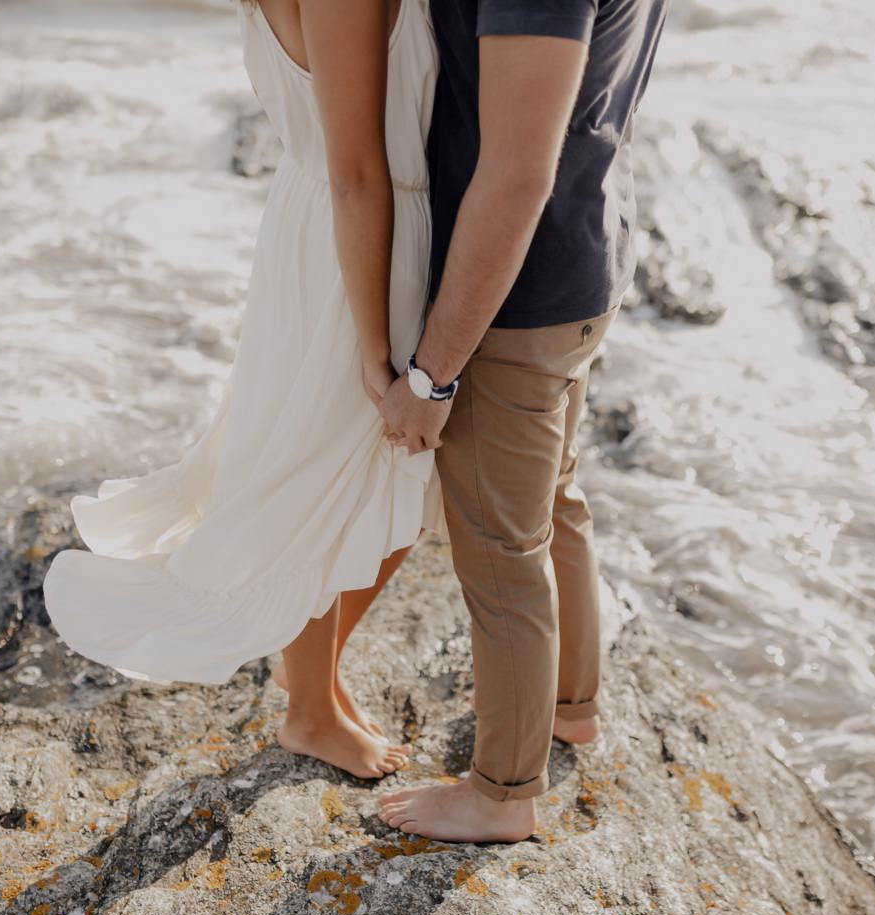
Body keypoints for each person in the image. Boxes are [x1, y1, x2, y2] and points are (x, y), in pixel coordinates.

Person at [41, 0, 444, 781]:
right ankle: (310, 714)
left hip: (336, 226)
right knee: (333, 483)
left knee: (367, 477)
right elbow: (358, 171)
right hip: (359, 244)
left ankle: (309, 672)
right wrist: (370, 347)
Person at [376, 0, 668, 842]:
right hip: (586, 249)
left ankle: (503, 792)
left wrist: (431, 376)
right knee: (555, 498)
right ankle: (570, 707)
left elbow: (515, 178)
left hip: (521, 290)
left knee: (502, 546)